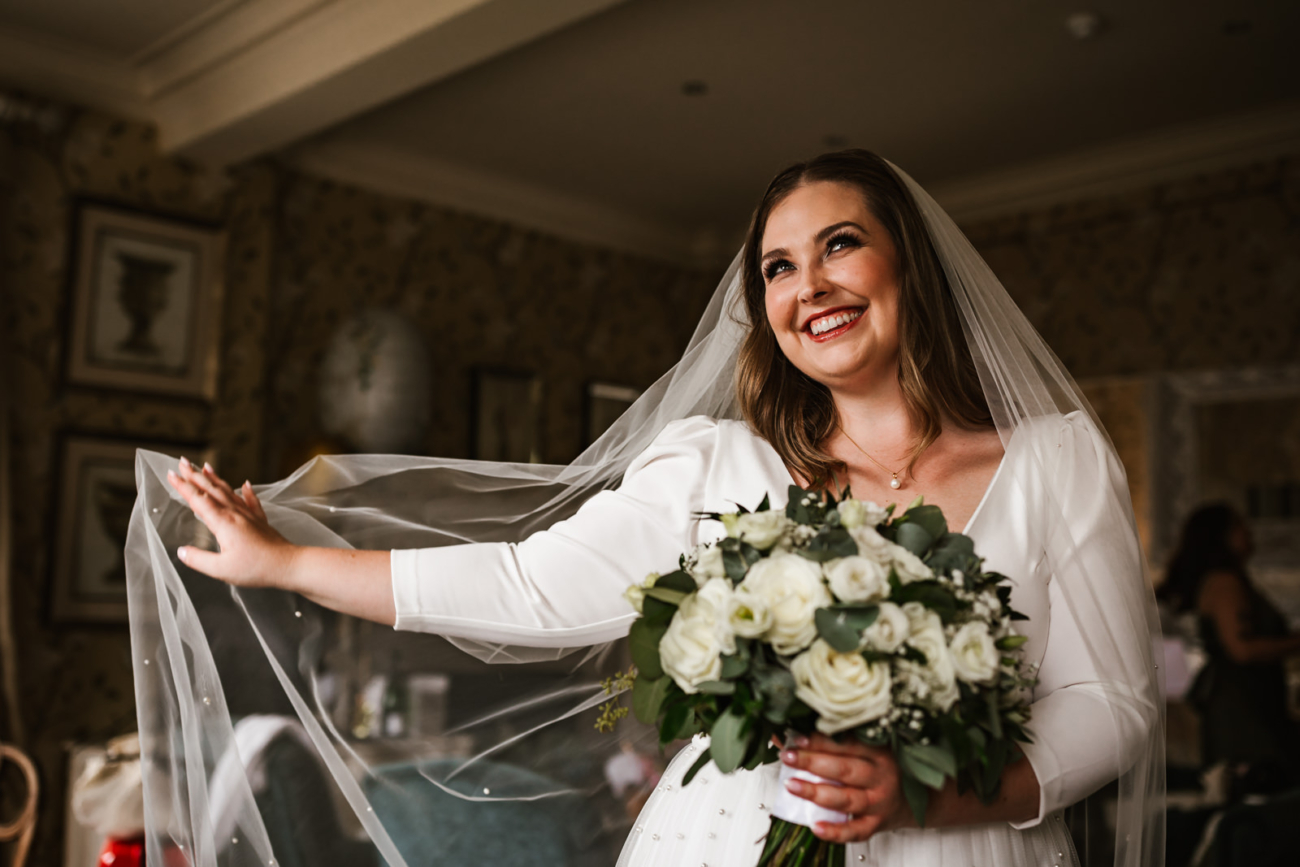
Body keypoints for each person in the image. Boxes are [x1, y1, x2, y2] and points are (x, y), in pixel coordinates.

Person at [149, 150, 1163, 867]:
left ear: (910, 266)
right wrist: (286, 564)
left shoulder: (1057, 465)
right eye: (778, 266)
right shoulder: (716, 466)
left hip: (965, 846)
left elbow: (1110, 706)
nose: (808, 284)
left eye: (840, 246)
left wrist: (938, 796)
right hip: (726, 843)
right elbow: (526, 586)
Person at [1159, 503, 1300, 781]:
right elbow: (1241, 649)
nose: (1249, 532)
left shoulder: (1231, 579)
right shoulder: (1224, 583)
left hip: (1251, 700)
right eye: (1239, 526)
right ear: (1220, 536)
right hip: (1242, 708)